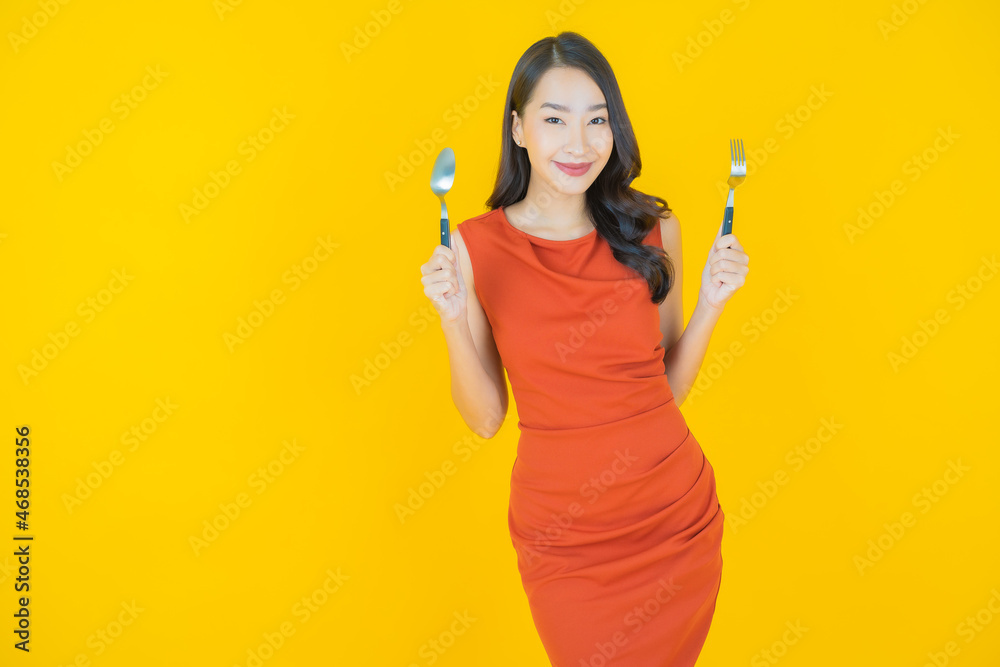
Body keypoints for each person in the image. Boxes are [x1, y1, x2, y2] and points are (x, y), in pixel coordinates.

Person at [419, 31, 749, 666]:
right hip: (564, 537)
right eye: (554, 119)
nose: (579, 143)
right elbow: (485, 420)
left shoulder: (654, 230)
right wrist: (452, 319)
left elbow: (667, 390)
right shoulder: (474, 248)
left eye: (598, 120)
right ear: (518, 129)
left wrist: (711, 301)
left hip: (672, 517)